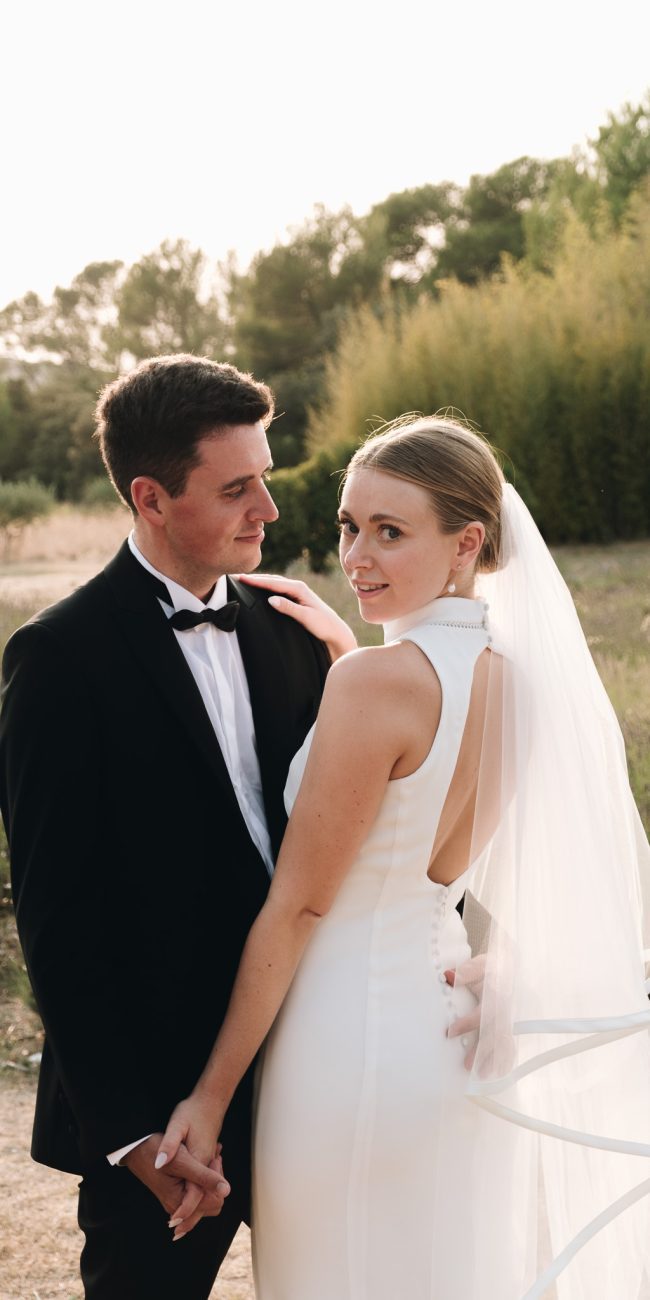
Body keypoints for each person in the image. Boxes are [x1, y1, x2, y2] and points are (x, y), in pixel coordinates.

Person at [159, 415, 650, 1298]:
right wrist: (350, 654)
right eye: (350, 526)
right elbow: (424, 813)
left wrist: (212, 1095)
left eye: (391, 532)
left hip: (343, 1042)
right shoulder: (516, 681)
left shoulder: (373, 685)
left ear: (467, 543)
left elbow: (302, 907)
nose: (356, 557)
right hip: (450, 1041)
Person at [0, 353, 355, 1300]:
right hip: (161, 1101)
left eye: (266, 479)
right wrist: (130, 1133)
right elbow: (57, 920)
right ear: (150, 498)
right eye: (236, 489)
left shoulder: (291, 627)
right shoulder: (57, 657)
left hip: (316, 1056)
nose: (267, 510)